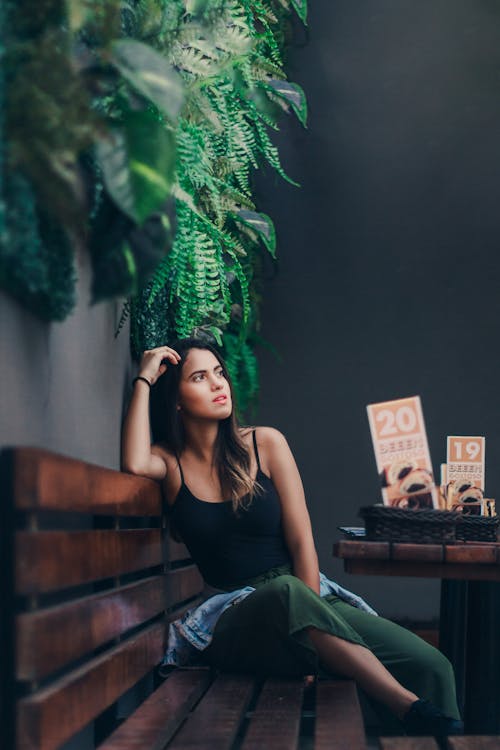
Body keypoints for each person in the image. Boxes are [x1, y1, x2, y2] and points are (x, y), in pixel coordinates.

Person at [121, 338, 463, 739]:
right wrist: (144, 378)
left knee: (430, 665)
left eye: (219, 372)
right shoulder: (169, 461)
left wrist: (310, 634)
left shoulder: (265, 443)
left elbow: (302, 543)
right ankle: (406, 706)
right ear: (176, 401)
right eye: (199, 377)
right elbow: (133, 461)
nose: (218, 384)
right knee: (285, 592)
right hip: (236, 619)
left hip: (308, 596)